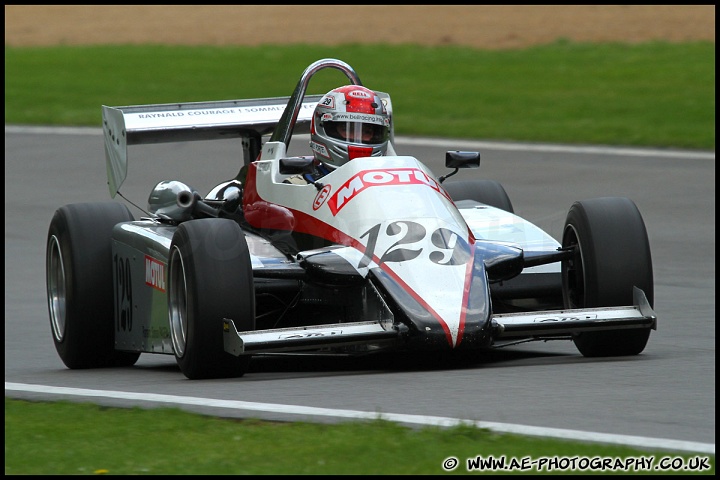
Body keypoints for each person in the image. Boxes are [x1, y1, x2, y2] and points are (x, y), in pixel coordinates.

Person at [286, 85, 391, 184]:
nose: (357, 137)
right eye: (347, 129)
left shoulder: (390, 185)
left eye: (366, 131)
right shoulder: (297, 186)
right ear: (322, 128)